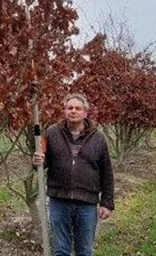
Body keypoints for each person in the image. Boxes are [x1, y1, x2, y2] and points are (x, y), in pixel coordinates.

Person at [32, 93, 114, 256]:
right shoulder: (49, 133)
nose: (73, 111)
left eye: (78, 108)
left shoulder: (99, 138)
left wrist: (107, 202)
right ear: (64, 111)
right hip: (59, 201)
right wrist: (36, 161)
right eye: (70, 108)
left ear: (85, 112)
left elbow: (107, 172)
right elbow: (41, 159)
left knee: (84, 251)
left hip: (87, 203)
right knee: (61, 250)